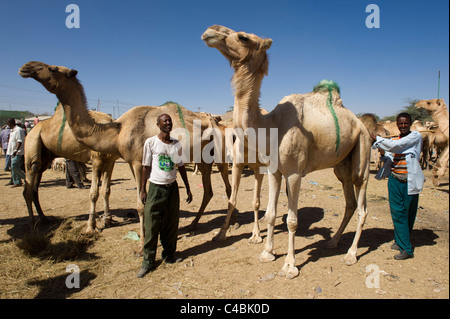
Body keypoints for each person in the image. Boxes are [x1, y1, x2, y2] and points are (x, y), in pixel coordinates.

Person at [137, 113, 192, 278]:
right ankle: (148, 261)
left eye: (169, 121)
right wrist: (142, 189)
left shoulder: (176, 144)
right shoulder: (151, 142)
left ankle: (168, 255)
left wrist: (188, 187)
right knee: (152, 224)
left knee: (171, 224)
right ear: (158, 124)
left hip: (172, 189)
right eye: (165, 121)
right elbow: (145, 166)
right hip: (156, 188)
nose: (168, 123)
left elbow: (181, 166)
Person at [370, 112, 425, 260]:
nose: (403, 126)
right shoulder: (394, 139)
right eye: (400, 124)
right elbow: (389, 155)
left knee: (409, 213)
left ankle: (405, 247)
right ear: (397, 124)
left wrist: (378, 139)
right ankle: (402, 243)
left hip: (410, 180)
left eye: (406, 123)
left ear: (410, 124)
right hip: (395, 179)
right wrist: (383, 152)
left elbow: (397, 146)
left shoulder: (415, 137)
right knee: (397, 213)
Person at [5, 118, 26, 187]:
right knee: (13, 167)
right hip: (11, 152)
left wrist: (15, 151)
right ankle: (17, 181)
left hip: (17, 152)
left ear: (11, 123)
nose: (8, 125)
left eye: (8, 124)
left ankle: (26, 178)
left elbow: (20, 142)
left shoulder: (18, 130)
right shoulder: (12, 131)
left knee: (14, 166)